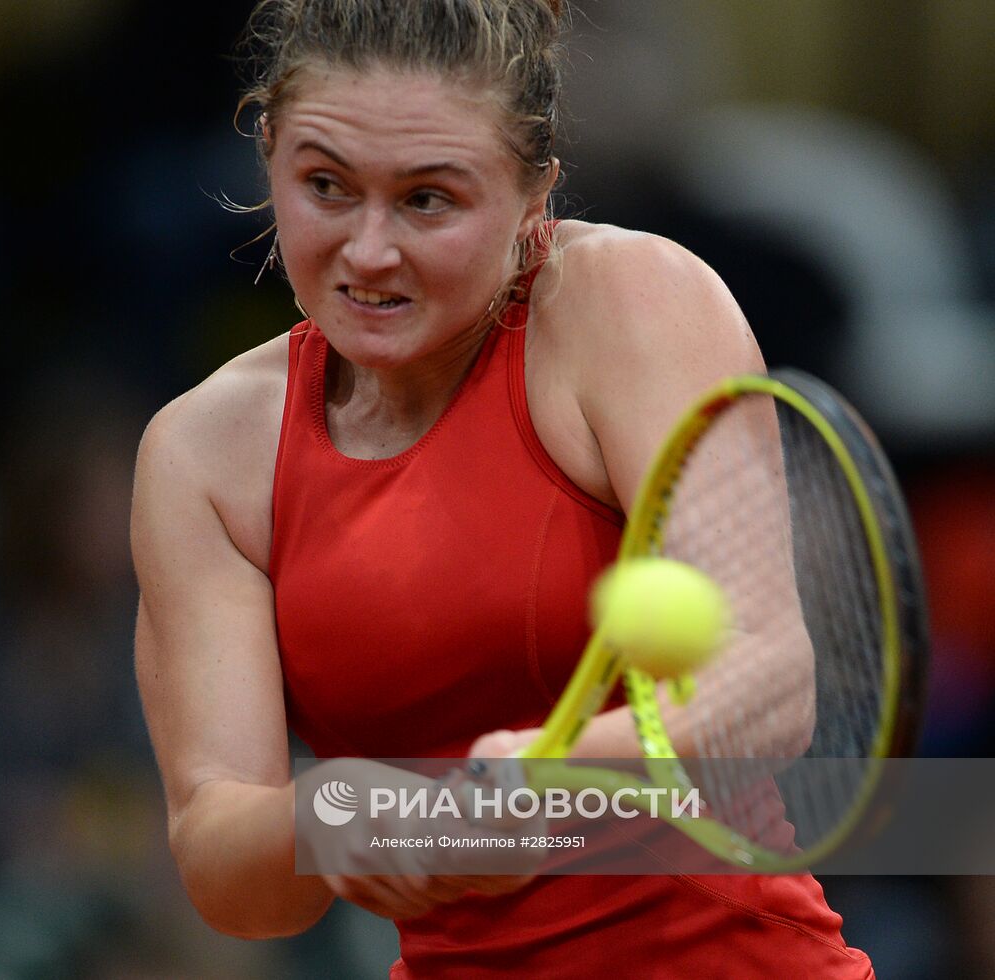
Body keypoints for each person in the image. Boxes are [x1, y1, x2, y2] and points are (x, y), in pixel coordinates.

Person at [130, 0, 874, 974]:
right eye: (324, 185)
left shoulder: (632, 304)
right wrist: (343, 811)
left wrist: (536, 780)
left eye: (428, 198)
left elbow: (763, 691)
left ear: (535, 195)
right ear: (266, 150)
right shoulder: (204, 454)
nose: (367, 250)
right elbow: (226, 866)